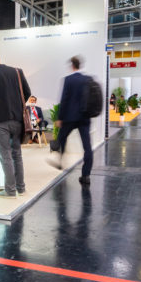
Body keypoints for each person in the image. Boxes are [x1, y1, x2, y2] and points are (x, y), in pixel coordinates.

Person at [0, 52, 31, 198]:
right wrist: (16, 105)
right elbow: (27, 93)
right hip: (17, 120)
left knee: (6, 156)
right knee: (17, 155)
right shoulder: (17, 71)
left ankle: (10, 190)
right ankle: (21, 188)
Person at [47, 56, 93, 186]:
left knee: (61, 138)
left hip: (70, 117)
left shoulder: (68, 80)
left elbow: (64, 99)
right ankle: (86, 175)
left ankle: (60, 161)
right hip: (84, 117)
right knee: (87, 147)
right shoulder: (87, 79)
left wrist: (60, 118)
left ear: (72, 66)